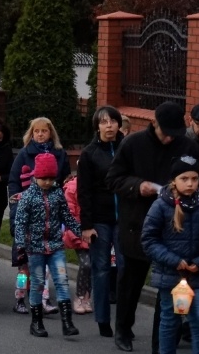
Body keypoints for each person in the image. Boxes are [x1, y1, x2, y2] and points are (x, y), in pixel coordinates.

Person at [106, 101, 199, 352]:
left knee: (169, 284)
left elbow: (197, 178)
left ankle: (162, 342)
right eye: (165, 132)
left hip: (175, 226)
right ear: (154, 124)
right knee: (131, 282)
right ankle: (123, 330)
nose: (170, 138)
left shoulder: (186, 145)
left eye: (175, 133)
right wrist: (138, 186)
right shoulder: (133, 143)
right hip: (137, 222)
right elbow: (114, 179)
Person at [141, 155, 199, 354]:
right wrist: (175, 261)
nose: (190, 183)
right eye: (184, 178)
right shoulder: (161, 206)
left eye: (195, 178)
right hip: (172, 276)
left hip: (196, 275)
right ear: (174, 180)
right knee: (170, 321)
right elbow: (149, 240)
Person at [13, 153, 81, 337]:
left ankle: (67, 322)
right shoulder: (27, 197)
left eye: (51, 178)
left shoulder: (58, 194)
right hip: (34, 248)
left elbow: (67, 216)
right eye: (43, 178)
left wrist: (80, 231)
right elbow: (20, 222)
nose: (47, 182)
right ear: (36, 176)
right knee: (36, 283)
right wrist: (20, 244)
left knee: (61, 280)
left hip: (55, 245)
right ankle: (36, 322)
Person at [8, 117, 70, 315]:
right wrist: (16, 205)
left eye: (44, 131)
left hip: (49, 215)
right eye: (37, 131)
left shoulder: (59, 154)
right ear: (31, 133)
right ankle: (20, 296)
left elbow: (65, 179)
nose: (41, 134)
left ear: (51, 133)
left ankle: (43, 298)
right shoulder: (25, 154)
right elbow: (14, 181)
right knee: (24, 267)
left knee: (44, 267)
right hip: (26, 216)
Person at [77, 105, 125, 335]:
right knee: (102, 269)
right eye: (104, 122)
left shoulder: (128, 148)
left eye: (112, 121)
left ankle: (125, 321)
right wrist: (86, 225)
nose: (109, 126)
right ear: (97, 126)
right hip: (100, 219)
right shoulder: (89, 154)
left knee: (126, 269)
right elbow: (83, 192)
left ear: (118, 124)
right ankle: (103, 320)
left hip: (125, 219)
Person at [63, 173, 91, 314]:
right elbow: (70, 214)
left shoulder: (97, 185)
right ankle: (79, 296)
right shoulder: (72, 188)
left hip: (95, 232)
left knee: (95, 265)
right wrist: (78, 234)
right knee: (86, 264)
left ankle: (87, 297)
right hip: (79, 233)